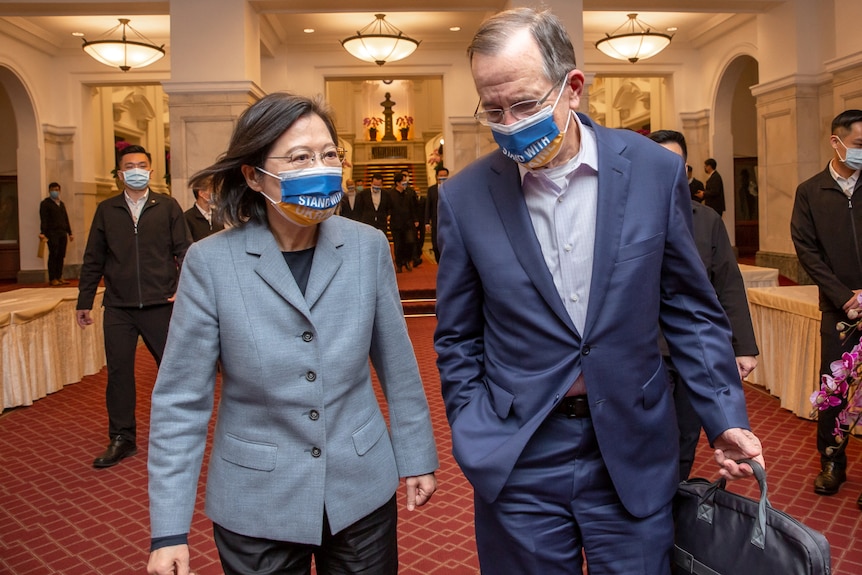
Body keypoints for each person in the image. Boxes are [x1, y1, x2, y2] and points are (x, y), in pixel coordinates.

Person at [433, 8, 764, 574]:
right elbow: (458, 334)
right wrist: (471, 424)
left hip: (632, 446)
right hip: (519, 453)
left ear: (573, 89)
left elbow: (688, 307)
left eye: (527, 105)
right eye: (494, 110)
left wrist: (724, 414)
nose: (510, 124)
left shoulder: (654, 172)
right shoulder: (463, 198)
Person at [146, 92, 438, 575]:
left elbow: (400, 367)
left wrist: (417, 456)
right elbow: (181, 400)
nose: (320, 168)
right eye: (300, 158)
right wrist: (169, 529)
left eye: (328, 155)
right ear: (254, 174)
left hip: (360, 487)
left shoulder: (366, 247)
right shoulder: (211, 262)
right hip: (256, 500)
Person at [649, 130, 760, 481]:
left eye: (677, 165)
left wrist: (742, 347)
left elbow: (727, 283)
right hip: (644, 352)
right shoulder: (624, 221)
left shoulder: (707, 220)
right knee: (647, 438)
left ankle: (674, 512)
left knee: (685, 436)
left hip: (693, 353)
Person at [77, 145, 191, 469]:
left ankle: (178, 435)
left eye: (142, 164)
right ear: (120, 174)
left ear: (151, 171)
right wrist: (84, 300)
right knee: (119, 374)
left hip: (160, 304)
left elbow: (186, 252)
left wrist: (185, 287)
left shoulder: (168, 207)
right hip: (119, 307)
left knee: (172, 373)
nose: (136, 169)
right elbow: (93, 258)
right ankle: (122, 438)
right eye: (130, 165)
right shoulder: (106, 210)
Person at [791, 109, 862, 505]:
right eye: (858, 145)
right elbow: (806, 250)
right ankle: (832, 462)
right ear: (835, 142)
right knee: (835, 389)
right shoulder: (810, 191)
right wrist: (844, 296)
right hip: (839, 311)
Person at [39, 181, 73, 285]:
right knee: (53, 254)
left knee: (61, 255)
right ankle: (52, 278)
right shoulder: (45, 204)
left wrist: (70, 232)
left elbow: (65, 219)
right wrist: (42, 232)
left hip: (62, 233)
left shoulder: (61, 204)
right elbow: (43, 219)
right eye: (53, 190)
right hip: (52, 233)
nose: (55, 192)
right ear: (49, 191)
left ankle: (59, 276)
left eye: (57, 190)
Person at [389, 172, 418, 273]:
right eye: (403, 182)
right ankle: (399, 264)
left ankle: (407, 260)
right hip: (396, 224)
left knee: (410, 242)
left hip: (408, 223)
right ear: (397, 183)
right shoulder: (391, 194)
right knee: (398, 245)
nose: (405, 184)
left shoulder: (409, 193)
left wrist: (415, 219)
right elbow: (388, 208)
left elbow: (413, 207)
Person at [183, 177, 224, 241]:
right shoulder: (187, 217)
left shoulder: (218, 214)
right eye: (212, 190)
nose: (215, 193)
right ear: (201, 193)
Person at [425, 166, 448, 263]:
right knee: (435, 245)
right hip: (435, 222)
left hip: (448, 222)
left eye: (444, 176)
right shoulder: (431, 190)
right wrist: (426, 222)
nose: (442, 177)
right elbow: (428, 206)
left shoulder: (451, 188)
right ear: (436, 176)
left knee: (446, 244)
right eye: (440, 176)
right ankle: (439, 262)